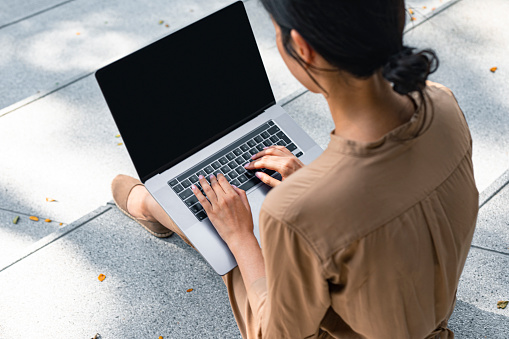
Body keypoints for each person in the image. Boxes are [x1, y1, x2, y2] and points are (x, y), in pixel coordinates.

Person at [111, 0, 479, 337]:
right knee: (245, 220)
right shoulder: (442, 102)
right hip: (421, 303)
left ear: (302, 48)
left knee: (233, 237)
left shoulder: (297, 213)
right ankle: (159, 206)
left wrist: (242, 237)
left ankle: (152, 205)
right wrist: (313, 186)